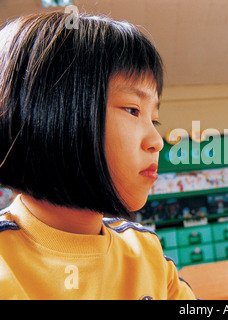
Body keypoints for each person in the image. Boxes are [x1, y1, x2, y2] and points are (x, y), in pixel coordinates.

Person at [0, 11, 195, 300]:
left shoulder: (146, 251)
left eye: (154, 121)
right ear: (55, 115)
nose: (157, 141)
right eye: (133, 110)